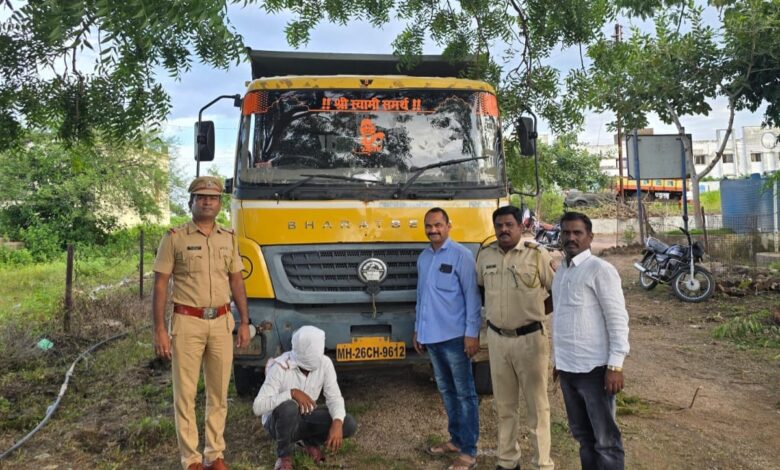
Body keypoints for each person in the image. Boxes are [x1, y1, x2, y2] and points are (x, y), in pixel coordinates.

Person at [152, 176, 250, 470]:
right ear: (191, 202)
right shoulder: (174, 238)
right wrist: (159, 330)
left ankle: (214, 454)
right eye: (202, 197)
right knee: (185, 394)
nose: (208, 202)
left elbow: (236, 281)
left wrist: (245, 321)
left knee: (219, 393)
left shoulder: (228, 237)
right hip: (187, 322)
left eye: (213, 198)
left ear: (220, 204)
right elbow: (160, 285)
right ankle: (191, 459)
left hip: (221, 322)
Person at [476, 205, 555, 470]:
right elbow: (480, 289)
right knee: (504, 406)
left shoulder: (537, 254)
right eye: (499, 225)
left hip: (530, 340)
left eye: (509, 225)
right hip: (498, 340)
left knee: (537, 407)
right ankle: (508, 460)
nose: (504, 230)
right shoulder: (485, 255)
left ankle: (542, 463)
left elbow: (557, 290)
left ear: (521, 227)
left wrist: (536, 313)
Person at [551, 212, 630, 470]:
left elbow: (617, 319)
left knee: (606, 442)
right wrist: (557, 361)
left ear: (590, 237)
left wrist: (615, 365)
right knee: (584, 437)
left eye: (577, 232)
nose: (571, 238)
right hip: (568, 370)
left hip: (595, 370)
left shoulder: (600, 270)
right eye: (566, 232)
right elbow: (562, 318)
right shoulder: (562, 271)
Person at [414, 207, 482, 470]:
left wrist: (472, 333)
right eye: (429, 226)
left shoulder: (462, 256)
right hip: (431, 338)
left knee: (465, 394)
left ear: (448, 226)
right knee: (447, 392)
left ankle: (469, 451)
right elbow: (422, 297)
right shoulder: (424, 258)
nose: (433, 230)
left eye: (438, 225)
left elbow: (472, 298)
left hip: (455, 337)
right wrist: (418, 329)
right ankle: (456, 439)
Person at [253, 326, 357, 470]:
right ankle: (284, 456)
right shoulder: (280, 367)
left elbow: (334, 398)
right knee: (289, 406)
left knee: (348, 423)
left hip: (305, 416)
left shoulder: (325, 363)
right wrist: (291, 393)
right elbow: (257, 407)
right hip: (278, 424)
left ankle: (310, 442)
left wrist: (337, 422)